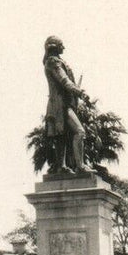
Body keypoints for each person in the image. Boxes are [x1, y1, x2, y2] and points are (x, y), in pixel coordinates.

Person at [43, 36, 88, 175]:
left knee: (61, 136)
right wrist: (79, 92)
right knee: (79, 131)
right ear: (54, 46)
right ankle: (80, 166)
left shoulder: (56, 61)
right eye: (61, 45)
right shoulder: (52, 61)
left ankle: (61, 166)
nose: (64, 47)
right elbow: (64, 80)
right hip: (60, 105)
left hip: (65, 103)